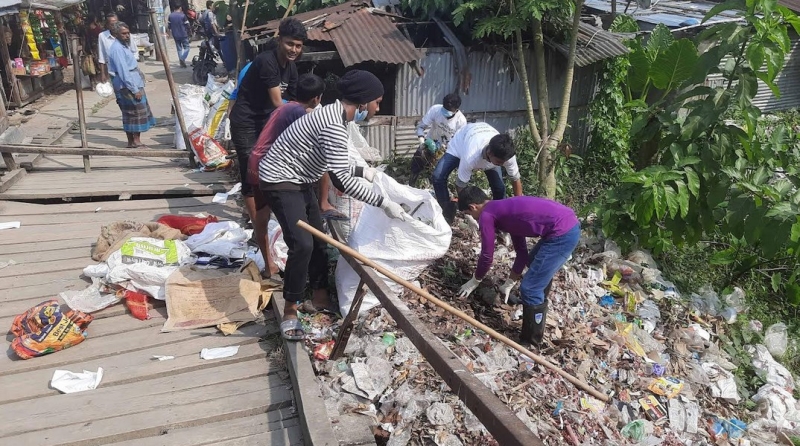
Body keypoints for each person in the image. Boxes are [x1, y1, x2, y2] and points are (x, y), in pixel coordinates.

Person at [259, 70, 406, 341]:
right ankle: (290, 310)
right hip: (279, 179)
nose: (378, 107)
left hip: (301, 178)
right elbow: (342, 180)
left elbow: (336, 161)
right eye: (377, 101)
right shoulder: (332, 123)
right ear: (362, 102)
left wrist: (367, 173)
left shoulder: (337, 117)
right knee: (301, 243)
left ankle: (319, 294)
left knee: (318, 239)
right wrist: (384, 202)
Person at [456, 186, 580, 346]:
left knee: (530, 288)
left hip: (562, 232)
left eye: (469, 214)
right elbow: (522, 254)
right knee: (534, 266)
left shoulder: (487, 214)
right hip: (566, 224)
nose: (473, 217)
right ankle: (537, 306)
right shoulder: (505, 211)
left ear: (473, 207)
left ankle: (531, 342)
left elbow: (487, 255)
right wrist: (509, 283)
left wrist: (475, 280)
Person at [230, 18, 305, 236]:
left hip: (266, 121)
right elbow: (278, 102)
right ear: (280, 40)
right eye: (290, 44)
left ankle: (262, 217)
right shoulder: (267, 61)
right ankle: (257, 227)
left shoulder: (290, 67)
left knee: (268, 169)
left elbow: (293, 99)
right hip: (246, 121)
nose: (294, 50)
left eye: (298, 46)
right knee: (251, 171)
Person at [246, 73, 325, 279]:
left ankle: (268, 265)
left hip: (255, 160)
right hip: (270, 167)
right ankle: (296, 273)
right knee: (293, 222)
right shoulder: (301, 113)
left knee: (261, 216)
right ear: (317, 98)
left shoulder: (286, 106)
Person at [431, 122, 523, 223]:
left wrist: (519, 207)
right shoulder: (470, 156)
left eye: (503, 162)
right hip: (461, 144)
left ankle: (498, 218)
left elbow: (515, 179)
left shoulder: (507, 156)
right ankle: (447, 213)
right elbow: (461, 185)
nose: (501, 165)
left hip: (483, 141)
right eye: (499, 162)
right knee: (438, 176)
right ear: (489, 153)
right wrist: (468, 211)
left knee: (499, 188)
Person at [107, 22, 156, 148]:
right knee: (134, 113)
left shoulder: (124, 46)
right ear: (117, 34)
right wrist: (134, 90)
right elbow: (123, 71)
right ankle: (135, 141)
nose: (127, 36)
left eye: (128, 33)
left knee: (133, 113)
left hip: (134, 81)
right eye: (124, 34)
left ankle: (133, 141)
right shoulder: (117, 49)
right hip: (127, 85)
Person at [409, 93, 467, 185]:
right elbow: (421, 127)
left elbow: (458, 143)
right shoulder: (435, 110)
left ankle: (432, 186)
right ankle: (411, 184)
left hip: (446, 149)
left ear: (456, 110)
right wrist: (421, 140)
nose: (445, 112)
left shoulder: (461, 121)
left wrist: (443, 149)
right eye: (444, 109)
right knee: (417, 160)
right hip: (430, 140)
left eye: (449, 110)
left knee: (436, 170)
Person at [97, 13, 138, 83]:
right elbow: (102, 57)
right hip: (114, 73)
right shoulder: (102, 36)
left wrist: (133, 66)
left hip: (130, 72)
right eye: (112, 24)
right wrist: (103, 74)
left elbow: (134, 51)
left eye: (116, 23)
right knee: (120, 92)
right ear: (107, 25)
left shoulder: (127, 35)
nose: (114, 26)